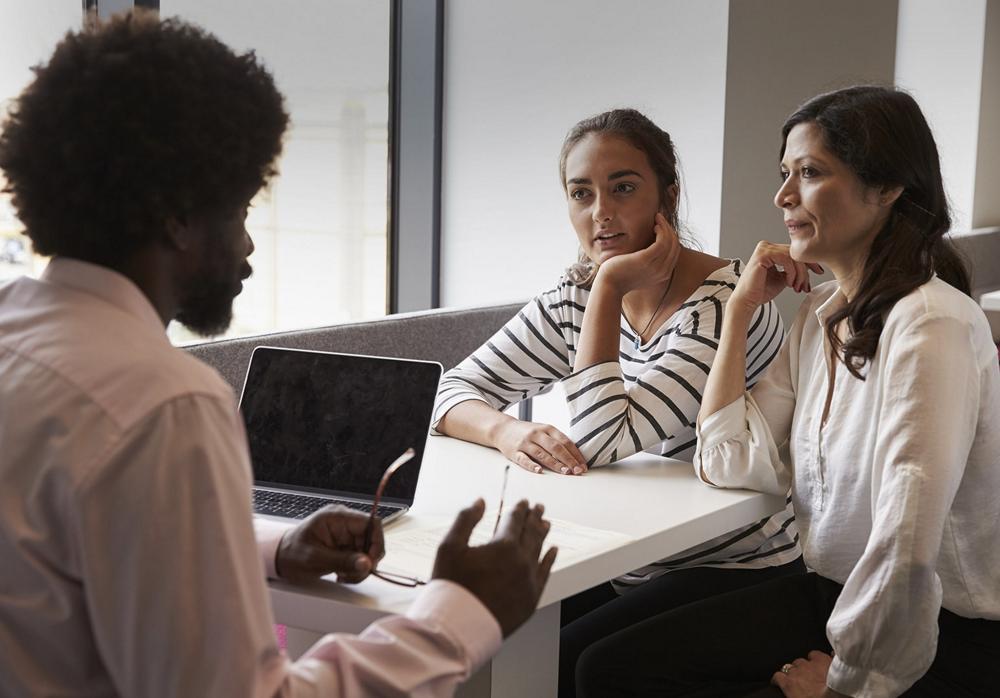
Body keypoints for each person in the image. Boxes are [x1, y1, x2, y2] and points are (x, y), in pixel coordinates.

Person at [0, 14, 557, 697]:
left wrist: (270, 551)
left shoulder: (14, 341)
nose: (248, 249)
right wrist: (461, 613)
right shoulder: (162, 405)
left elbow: (69, 572)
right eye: (238, 212)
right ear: (176, 215)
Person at [576, 86, 1000, 698]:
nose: (782, 197)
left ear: (887, 189)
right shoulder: (824, 316)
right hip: (831, 592)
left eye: (809, 173)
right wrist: (742, 308)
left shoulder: (932, 323)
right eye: (785, 174)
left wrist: (851, 683)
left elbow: (906, 545)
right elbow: (728, 462)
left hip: (943, 635)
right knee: (606, 668)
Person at [432, 108, 804, 697]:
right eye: (582, 194)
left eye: (623, 188)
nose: (600, 212)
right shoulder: (571, 295)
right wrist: (507, 431)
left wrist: (608, 287)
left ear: (669, 197)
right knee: (488, 639)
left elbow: (605, 440)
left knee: (574, 664)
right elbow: (448, 392)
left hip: (738, 565)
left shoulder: (728, 302)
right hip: (630, 560)